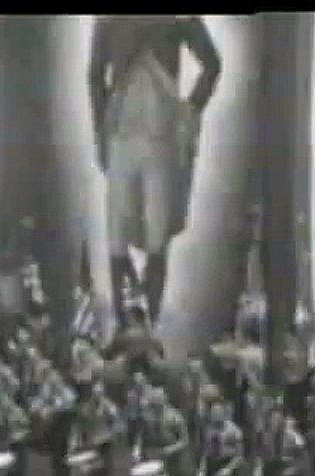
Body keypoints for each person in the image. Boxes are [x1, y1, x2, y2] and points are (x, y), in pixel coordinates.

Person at [88, 16, 222, 330]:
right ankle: (123, 326)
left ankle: (150, 325)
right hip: (121, 134)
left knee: (157, 237)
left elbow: (212, 64)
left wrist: (189, 110)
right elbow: (95, 76)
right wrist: (101, 134)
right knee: (118, 234)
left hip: (161, 138)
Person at [135, 386, 189, 476]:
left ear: (165, 399)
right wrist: (139, 452)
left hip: (172, 459)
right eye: (154, 398)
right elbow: (142, 436)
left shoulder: (175, 417)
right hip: (154, 456)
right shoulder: (148, 416)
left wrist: (170, 450)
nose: (156, 401)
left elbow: (184, 441)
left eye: (158, 398)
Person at [78, 380, 123, 476]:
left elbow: (118, 427)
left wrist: (106, 436)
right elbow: (82, 424)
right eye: (94, 393)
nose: (96, 395)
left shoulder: (109, 408)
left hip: (105, 446)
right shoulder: (87, 407)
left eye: (99, 393)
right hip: (92, 445)